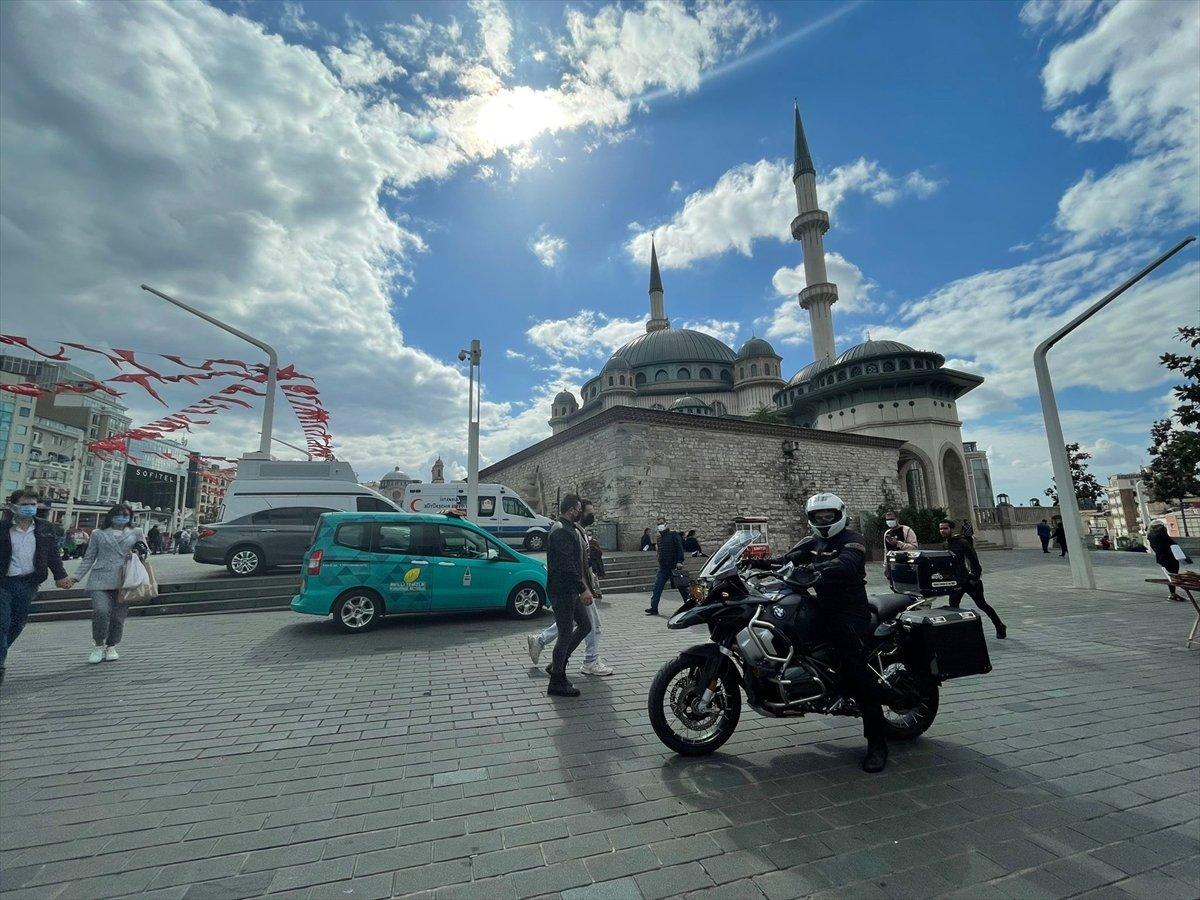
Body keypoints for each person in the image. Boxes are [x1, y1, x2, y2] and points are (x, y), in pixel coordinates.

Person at [750, 493, 889, 773]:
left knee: (855, 669)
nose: (824, 521)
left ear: (840, 515)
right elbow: (788, 559)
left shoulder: (853, 538)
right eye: (818, 517)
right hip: (821, 607)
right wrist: (758, 564)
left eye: (828, 516)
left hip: (850, 611)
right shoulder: (813, 542)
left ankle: (877, 743)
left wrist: (815, 568)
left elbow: (848, 564)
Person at [527, 502, 613, 678]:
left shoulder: (578, 531)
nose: (590, 515)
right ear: (575, 512)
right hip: (573, 588)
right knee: (588, 625)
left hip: (577, 586)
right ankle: (587, 662)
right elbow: (572, 564)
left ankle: (545, 646)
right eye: (588, 512)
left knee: (577, 624)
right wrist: (584, 589)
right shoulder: (568, 531)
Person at [1, 490, 71, 684]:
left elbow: (52, 555)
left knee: (17, 623)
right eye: (25, 504)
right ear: (13, 506)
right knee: (2, 622)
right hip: (4, 583)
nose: (29, 507)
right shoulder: (3, 528)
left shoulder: (45, 528)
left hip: (29, 583)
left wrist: (61, 576)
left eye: (33, 504)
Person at [68, 503, 147, 664]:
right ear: (110, 516)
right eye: (118, 515)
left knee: (118, 618)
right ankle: (98, 645)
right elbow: (89, 557)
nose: (122, 518)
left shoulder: (136, 532)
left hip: (125, 579)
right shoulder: (98, 534)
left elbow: (146, 552)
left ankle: (111, 645)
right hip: (100, 578)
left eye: (126, 515)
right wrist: (76, 577)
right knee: (101, 611)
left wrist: (140, 552)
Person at [544, 494, 594, 697]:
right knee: (565, 634)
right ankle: (557, 681)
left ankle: (559, 664)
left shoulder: (565, 528)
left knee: (585, 625)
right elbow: (567, 565)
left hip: (568, 589)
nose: (581, 512)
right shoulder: (562, 531)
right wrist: (583, 589)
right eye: (579, 508)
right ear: (572, 509)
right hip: (563, 590)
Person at [939, 520, 1006, 639]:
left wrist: (974, 578)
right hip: (956, 582)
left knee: (982, 604)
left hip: (969, 580)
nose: (943, 531)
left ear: (951, 529)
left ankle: (999, 625)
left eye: (945, 528)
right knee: (953, 606)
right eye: (941, 529)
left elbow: (974, 560)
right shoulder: (945, 544)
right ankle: (958, 632)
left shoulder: (962, 542)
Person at [645, 518, 685, 616]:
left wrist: (680, 561)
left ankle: (690, 605)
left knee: (682, 588)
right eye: (658, 524)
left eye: (661, 523)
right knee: (657, 587)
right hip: (663, 567)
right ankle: (654, 608)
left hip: (673, 566)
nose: (660, 525)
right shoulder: (659, 537)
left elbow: (680, 548)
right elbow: (659, 551)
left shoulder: (673, 535)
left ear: (666, 524)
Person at [1148, 522, 1192, 601]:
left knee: (1170, 576)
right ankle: (1174, 594)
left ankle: (1173, 593)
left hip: (1161, 558)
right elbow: (1172, 544)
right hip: (1170, 558)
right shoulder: (1162, 535)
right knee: (1174, 576)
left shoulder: (1151, 536)